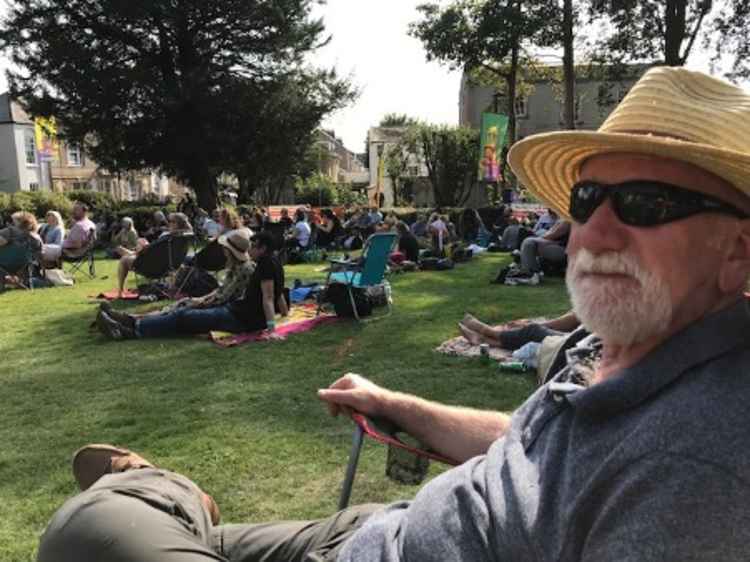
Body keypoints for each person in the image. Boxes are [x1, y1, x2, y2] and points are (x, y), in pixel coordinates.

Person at [40, 67, 750, 561]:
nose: (594, 232)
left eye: (648, 205)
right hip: (378, 530)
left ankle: (157, 487)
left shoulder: (700, 468)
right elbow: (532, 448)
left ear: (738, 252)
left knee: (86, 529)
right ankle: (161, 497)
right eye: (587, 201)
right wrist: (397, 401)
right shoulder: (621, 348)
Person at [98, 231, 287, 339]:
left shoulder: (259, 266)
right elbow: (276, 293)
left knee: (183, 316)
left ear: (262, 249)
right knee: (183, 315)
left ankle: (131, 329)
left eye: (254, 246)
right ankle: (130, 323)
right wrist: (285, 314)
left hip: (238, 318)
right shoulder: (271, 262)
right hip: (234, 312)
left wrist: (271, 330)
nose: (250, 249)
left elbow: (269, 297)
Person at [115, 212, 192, 298]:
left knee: (124, 260)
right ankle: (131, 253)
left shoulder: (167, 238)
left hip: (152, 267)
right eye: (169, 221)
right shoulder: (185, 237)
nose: (168, 223)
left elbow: (148, 250)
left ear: (178, 224)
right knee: (130, 251)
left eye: (171, 221)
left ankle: (120, 292)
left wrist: (143, 246)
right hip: (172, 266)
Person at [503, 220, 571, 285]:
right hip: (564, 249)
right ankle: (529, 270)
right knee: (529, 240)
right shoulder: (565, 219)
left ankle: (530, 273)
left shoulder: (568, 220)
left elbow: (552, 235)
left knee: (529, 242)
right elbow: (551, 234)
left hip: (566, 251)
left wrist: (539, 238)